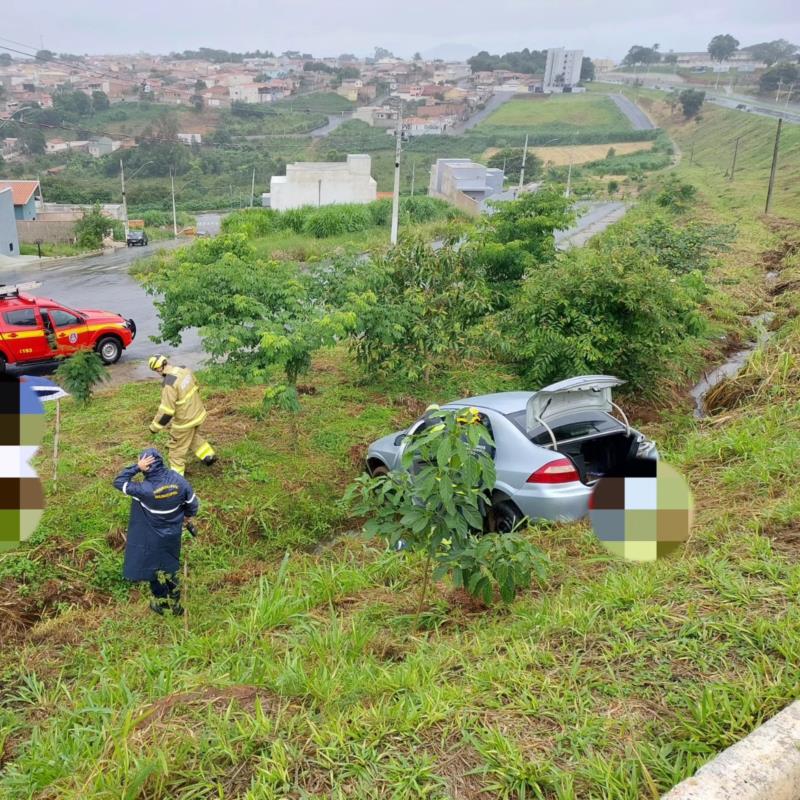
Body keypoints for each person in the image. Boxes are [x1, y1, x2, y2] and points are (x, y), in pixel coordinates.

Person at [112, 448, 199, 616]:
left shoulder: (144, 490)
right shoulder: (179, 481)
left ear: (147, 466)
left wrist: (136, 467)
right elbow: (193, 504)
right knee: (171, 565)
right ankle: (176, 603)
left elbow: (119, 481)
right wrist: (187, 516)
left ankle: (163, 603)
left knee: (153, 568)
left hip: (152, 537)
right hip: (173, 533)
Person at [147, 354, 217, 476]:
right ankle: (208, 455)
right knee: (191, 437)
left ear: (158, 369)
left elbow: (166, 411)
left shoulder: (169, 384)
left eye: (155, 370)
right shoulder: (184, 369)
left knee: (176, 449)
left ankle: (176, 477)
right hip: (198, 413)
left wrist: (154, 427)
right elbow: (196, 386)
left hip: (185, 422)